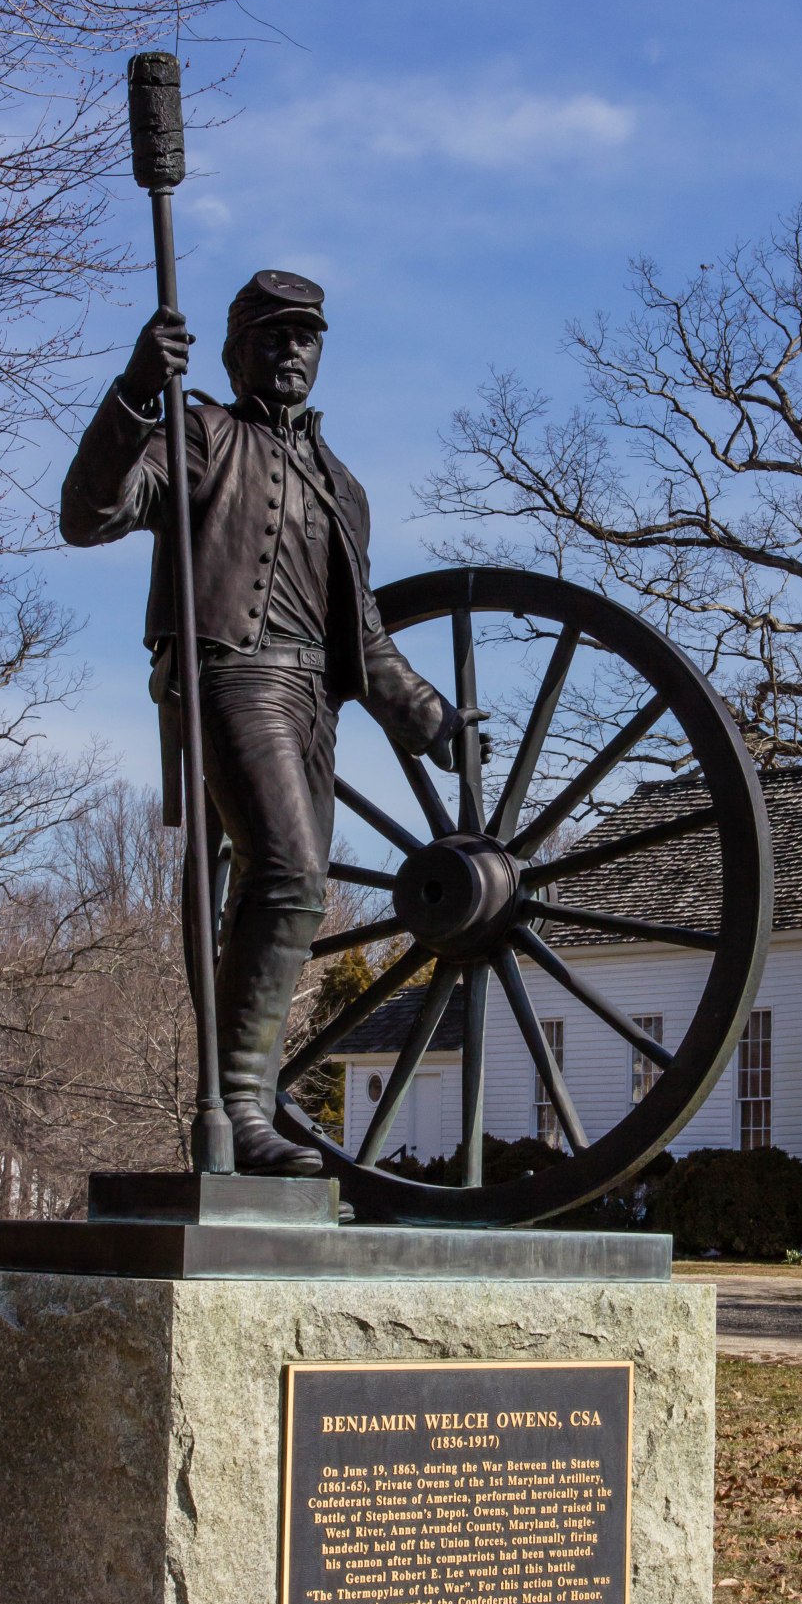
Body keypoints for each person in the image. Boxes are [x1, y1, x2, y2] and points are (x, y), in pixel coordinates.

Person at [61, 270, 488, 1175]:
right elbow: (88, 514)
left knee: (288, 891)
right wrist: (139, 391)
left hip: (311, 702)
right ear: (234, 349)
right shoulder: (199, 433)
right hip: (228, 675)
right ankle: (240, 1113)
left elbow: (362, 638)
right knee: (291, 873)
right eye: (274, 334)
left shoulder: (344, 486)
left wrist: (433, 719)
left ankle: (250, 1101)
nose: (292, 350)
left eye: (307, 336)